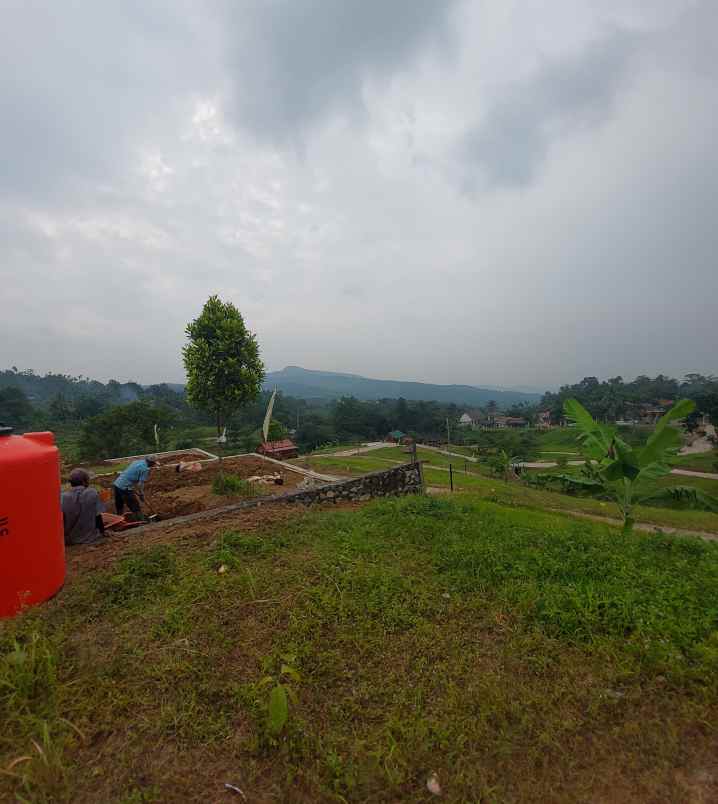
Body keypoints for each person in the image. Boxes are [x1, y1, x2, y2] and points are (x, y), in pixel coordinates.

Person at [61, 469, 105, 546]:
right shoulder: (92, 493)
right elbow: (98, 517)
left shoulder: (63, 497)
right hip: (89, 538)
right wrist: (102, 532)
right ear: (84, 482)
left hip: (69, 540)